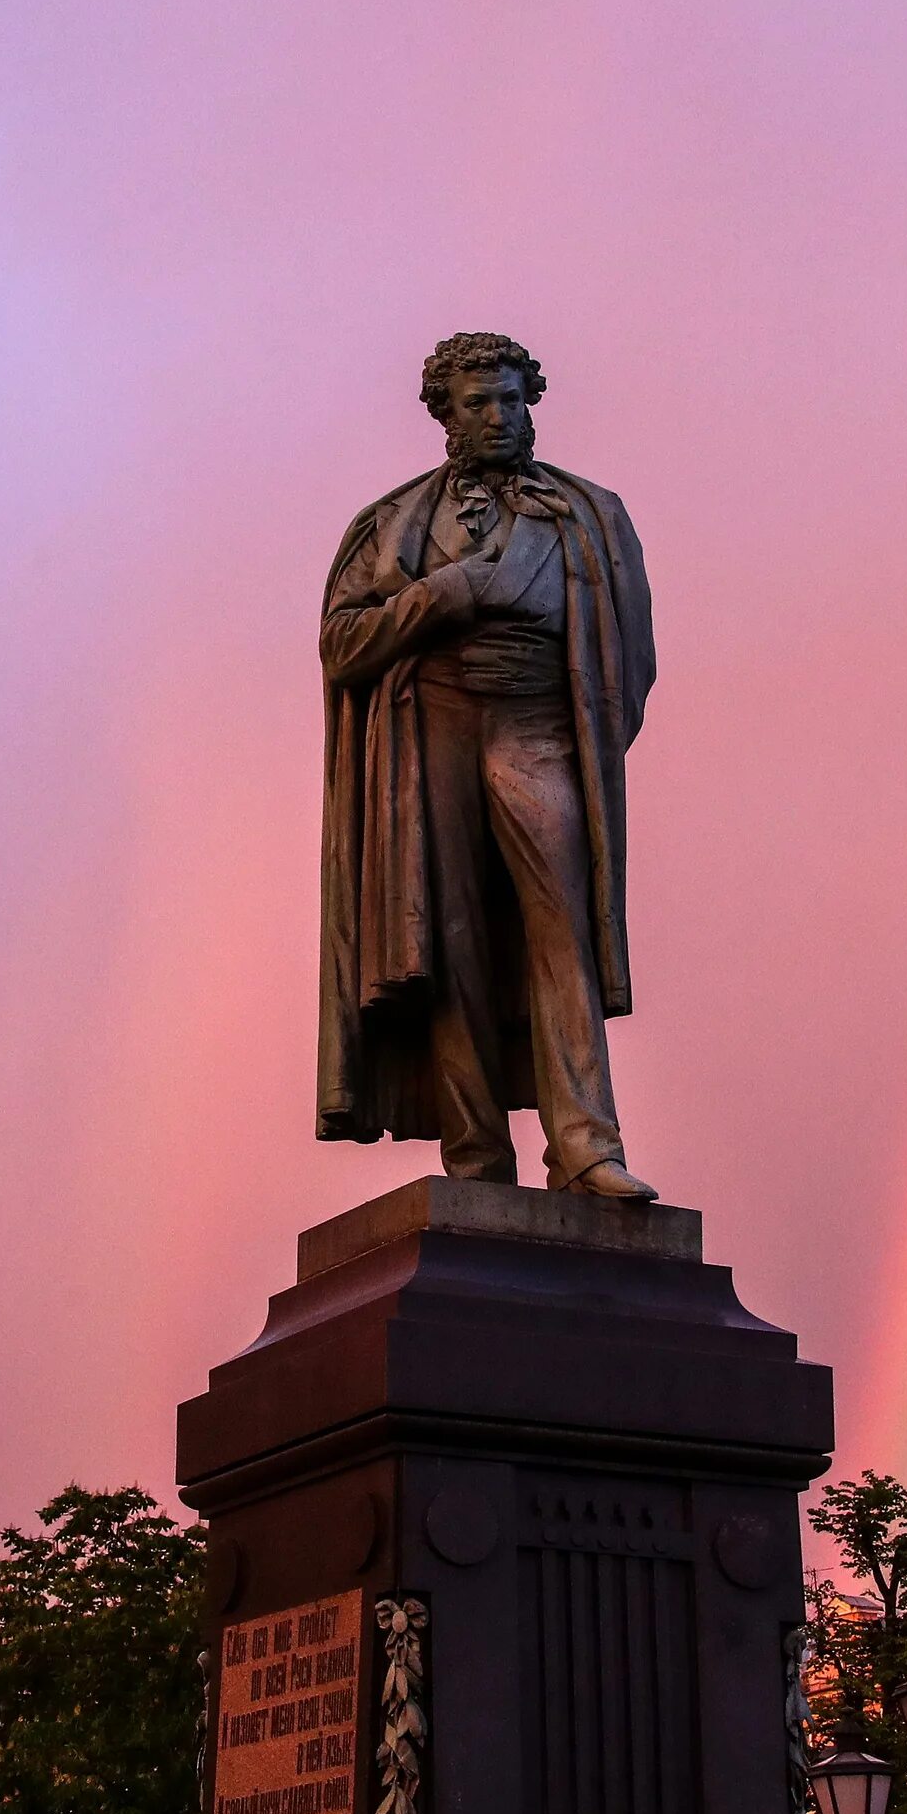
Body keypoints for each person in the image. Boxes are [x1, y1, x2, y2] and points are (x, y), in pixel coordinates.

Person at [315, 332, 658, 1199]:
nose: (501, 417)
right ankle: (476, 1162)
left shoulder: (591, 514)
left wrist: (579, 734)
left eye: (513, 400)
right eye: (480, 403)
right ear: (446, 414)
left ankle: (585, 1146)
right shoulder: (392, 525)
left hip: (541, 723)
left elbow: (632, 656)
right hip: (431, 727)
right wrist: (446, 594)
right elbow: (342, 643)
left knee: (562, 930)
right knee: (450, 938)